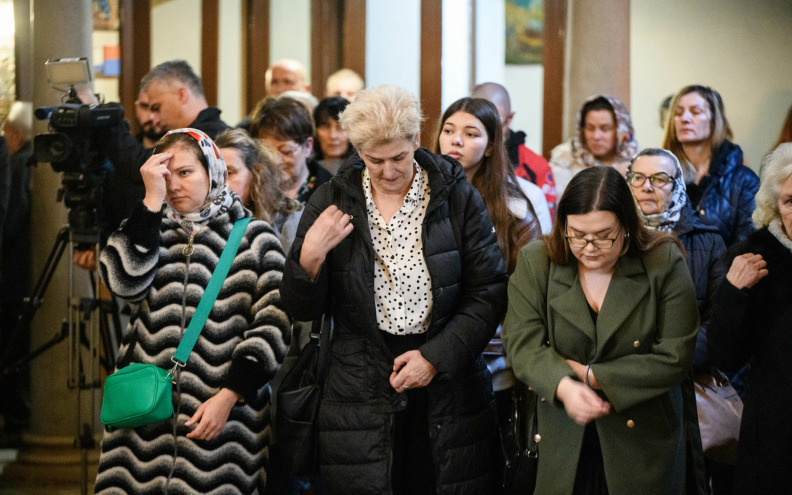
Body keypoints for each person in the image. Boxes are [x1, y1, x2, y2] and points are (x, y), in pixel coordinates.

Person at [280, 84, 508, 494]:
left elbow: (489, 291)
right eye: (374, 160)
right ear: (358, 152)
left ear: (417, 141)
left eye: (399, 157)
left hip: (447, 379)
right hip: (359, 382)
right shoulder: (333, 197)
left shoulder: (456, 195)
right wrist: (309, 257)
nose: (388, 171)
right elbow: (301, 307)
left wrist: (435, 358)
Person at [94, 128, 290, 494]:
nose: (174, 184)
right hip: (141, 419)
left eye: (185, 172)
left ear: (211, 171)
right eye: (165, 175)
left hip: (223, 418)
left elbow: (273, 325)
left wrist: (231, 395)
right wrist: (150, 204)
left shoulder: (256, 239)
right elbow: (123, 285)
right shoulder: (146, 228)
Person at [502, 166, 699, 494]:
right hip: (562, 431)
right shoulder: (538, 260)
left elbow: (675, 356)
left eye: (604, 235)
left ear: (627, 224)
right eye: (577, 234)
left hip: (641, 436)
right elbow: (521, 342)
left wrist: (593, 376)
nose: (589, 247)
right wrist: (564, 385)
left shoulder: (663, 261)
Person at [627, 148, 726, 494]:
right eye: (638, 178)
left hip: (682, 385)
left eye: (660, 179)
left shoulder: (708, 241)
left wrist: (668, 363)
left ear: (677, 186)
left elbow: (719, 322)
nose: (647, 187)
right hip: (623, 385)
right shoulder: (611, 239)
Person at [707, 142, 792, 495]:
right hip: (776, 433)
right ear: (776, 207)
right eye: (790, 201)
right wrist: (733, 292)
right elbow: (724, 357)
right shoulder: (755, 260)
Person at [662, 84, 759, 247]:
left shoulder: (743, 180)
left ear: (714, 121)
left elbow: (748, 244)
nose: (684, 118)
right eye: (678, 113)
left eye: (695, 112)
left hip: (726, 271)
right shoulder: (659, 174)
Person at [472, 81, 557, 218]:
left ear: (509, 118)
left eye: (494, 121)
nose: (487, 131)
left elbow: (545, 231)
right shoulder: (456, 158)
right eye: (478, 122)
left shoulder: (537, 166)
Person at [215, 128, 304, 254]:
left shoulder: (289, 223)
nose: (221, 184)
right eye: (215, 175)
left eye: (230, 173)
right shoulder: (206, 223)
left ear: (256, 174)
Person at [549, 94, 639, 196]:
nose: (596, 136)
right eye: (590, 128)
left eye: (605, 129)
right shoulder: (566, 157)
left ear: (620, 130)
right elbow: (562, 202)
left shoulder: (637, 162)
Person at [249, 96, 331, 203]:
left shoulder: (331, 193)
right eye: (266, 153)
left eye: (286, 151)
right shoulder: (250, 190)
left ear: (307, 146)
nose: (275, 161)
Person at [312, 96, 353, 175]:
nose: (333, 136)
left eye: (340, 127)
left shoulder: (365, 171)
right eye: (325, 126)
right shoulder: (306, 172)